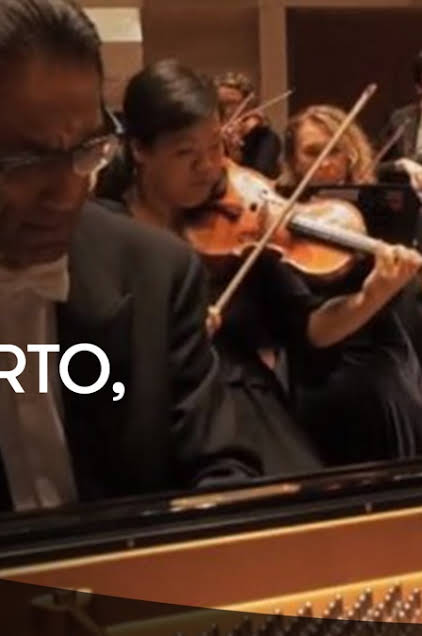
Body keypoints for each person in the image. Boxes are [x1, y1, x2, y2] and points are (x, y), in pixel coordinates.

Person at [0, 0, 265, 513]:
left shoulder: (158, 273)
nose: (67, 194)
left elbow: (220, 468)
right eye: (26, 161)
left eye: (86, 150)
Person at [98, 61, 422, 472]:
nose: (208, 167)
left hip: (241, 406)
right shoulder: (107, 232)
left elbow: (311, 329)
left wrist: (371, 295)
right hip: (147, 416)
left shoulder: (244, 228)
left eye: (215, 147)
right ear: (140, 150)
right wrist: (169, 336)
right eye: (185, 153)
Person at [277, 104, 422, 466]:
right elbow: (304, 323)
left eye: (336, 150)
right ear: (293, 161)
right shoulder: (281, 219)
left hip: (376, 347)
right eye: (312, 152)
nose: (327, 163)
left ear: (350, 154)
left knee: (380, 389)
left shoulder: (378, 206)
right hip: (315, 353)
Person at [215, 71, 282, 179]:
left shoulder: (266, 138)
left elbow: (257, 180)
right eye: (221, 104)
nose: (227, 111)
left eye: (233, 103)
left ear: (249, 105)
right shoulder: (211, 137)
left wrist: (234, 153)